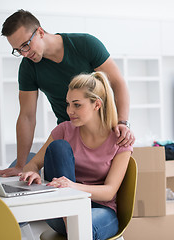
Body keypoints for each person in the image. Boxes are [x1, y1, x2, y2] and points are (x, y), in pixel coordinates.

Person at [0, 9, 134, 177]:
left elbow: (118, 83)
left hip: (99, 134)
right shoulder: (28, 67)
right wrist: (20, 164)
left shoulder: (85, 44)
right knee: (39, 171)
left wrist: (122, 122)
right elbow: (27, 116)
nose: (24, 54)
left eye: (25, 45)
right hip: (68, 137)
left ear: (40, 32)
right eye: (18, 50)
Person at [20, 71, 133, 239]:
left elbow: (109, 192)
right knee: (59, 147)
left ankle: (75, 227)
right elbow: (33, 164)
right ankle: (72, 223)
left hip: (101, 210)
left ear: (97, 105)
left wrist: (72, 186)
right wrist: (33, 171)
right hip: (62, 210)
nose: (69, 111)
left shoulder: (120, 140)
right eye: (68, 104)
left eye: (77, 105)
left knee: (84, 227)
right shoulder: (64, 130)